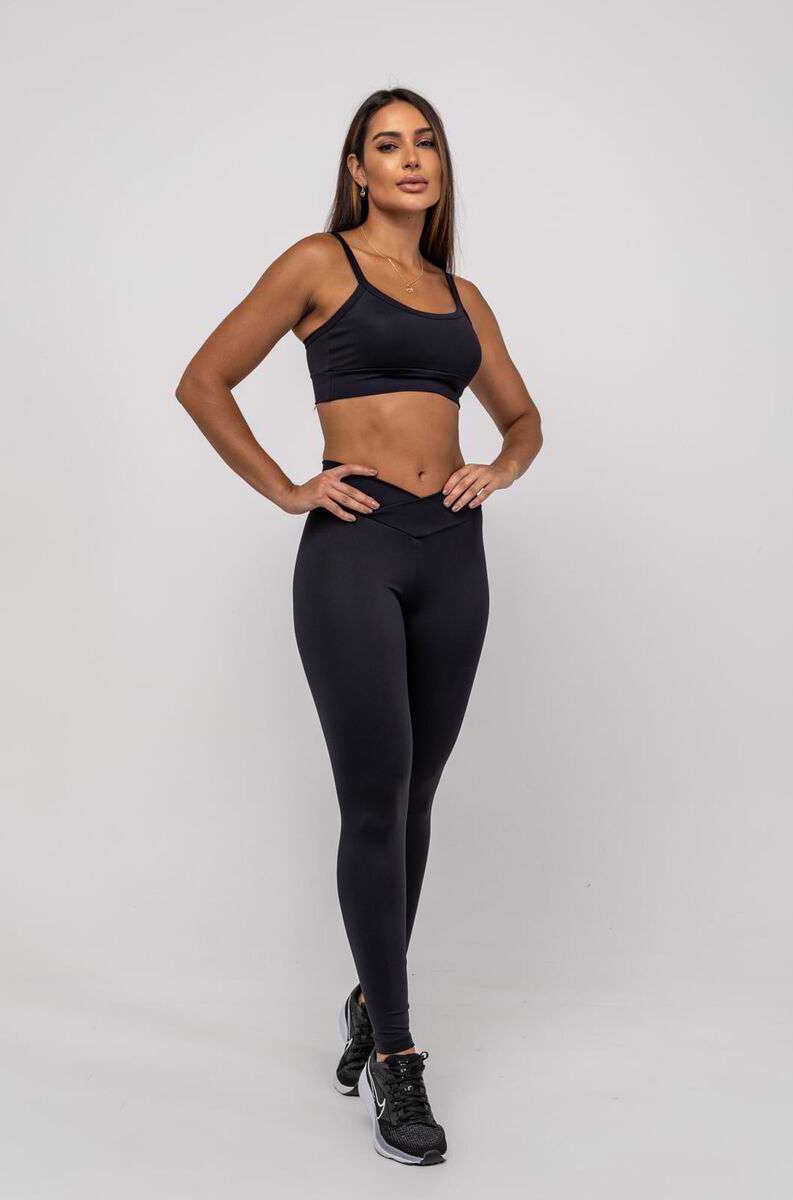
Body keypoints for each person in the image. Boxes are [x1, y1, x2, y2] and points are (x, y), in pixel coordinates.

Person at [175, 86, 543, 1166]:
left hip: (454, 553)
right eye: (388, 145)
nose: (410, 159)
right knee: (375, 799)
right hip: (356, 549)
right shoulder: (318, 263)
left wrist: (501, 467)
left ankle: (368, 1001)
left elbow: (523, 417)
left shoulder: (462, 296)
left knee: (418, 795)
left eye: (425, 142)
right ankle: (397, 1055)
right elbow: (203, 382)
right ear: (358, 170)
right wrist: (287, 488)